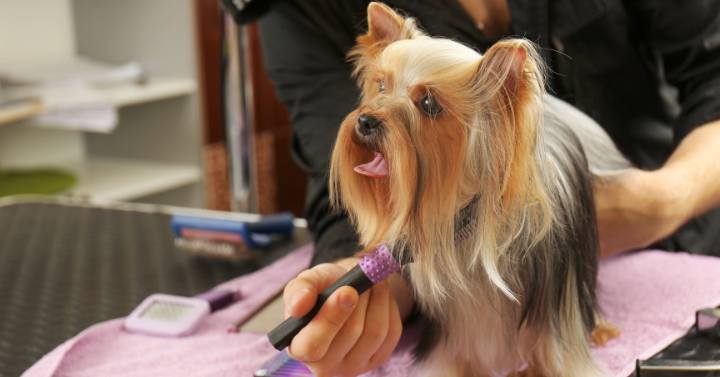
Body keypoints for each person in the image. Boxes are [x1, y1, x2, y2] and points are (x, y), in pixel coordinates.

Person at [233, 0, 720, 375]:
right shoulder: (297, 10)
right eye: (380, 88)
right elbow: (343, 192)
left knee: (553, 303)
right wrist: (364, 277)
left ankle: (578, 316)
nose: (377, 112)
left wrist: (661, 201)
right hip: (444, 233)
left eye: (427, 106)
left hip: (677, 230)